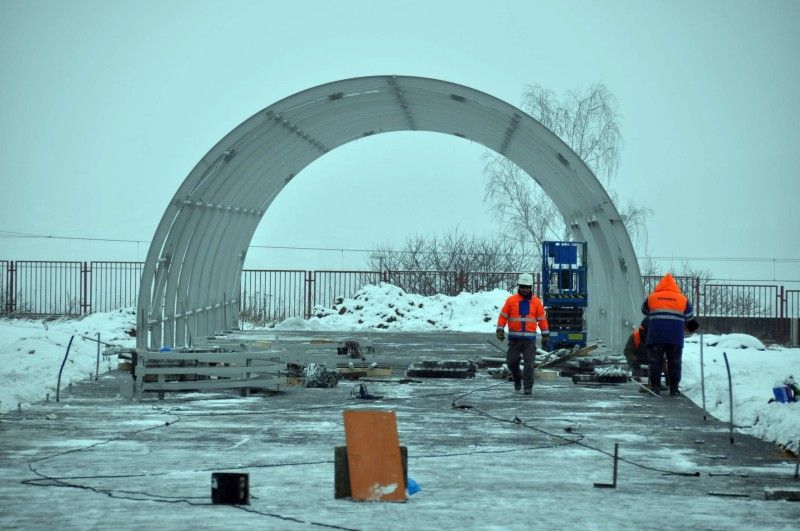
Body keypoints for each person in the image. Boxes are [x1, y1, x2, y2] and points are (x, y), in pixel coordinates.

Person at [641, 273, 700, 396]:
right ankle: (674, 389)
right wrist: (694, 327)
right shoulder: (683, 299)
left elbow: (644, 310)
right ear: (675, 286)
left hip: (656, 336)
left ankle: (655, 387)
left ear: (660, 285)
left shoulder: (652, 297)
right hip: (675, 338)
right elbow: (689, 317)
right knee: (675, 362)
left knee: (655, 362)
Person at [496, 273, 549, 395]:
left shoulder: (536, 302)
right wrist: (500, 329)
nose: (525, 289)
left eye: (527, 287)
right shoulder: (511, 301)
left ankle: (528, 387)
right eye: (523, 287)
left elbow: (542, 319)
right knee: (511, 362)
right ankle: (517, 378)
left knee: (529, 365)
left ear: (531, 288)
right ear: (519, 286)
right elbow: (503, 316)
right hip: (514, 339)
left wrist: (545, 334)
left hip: (529, 340)